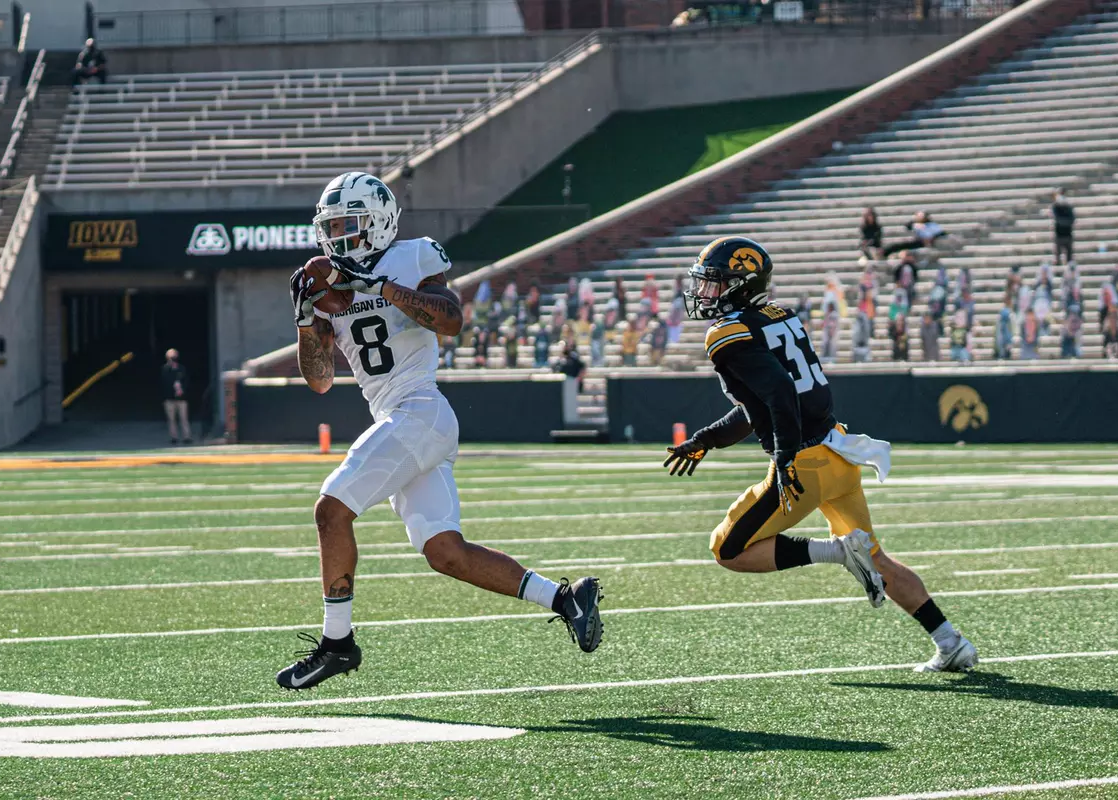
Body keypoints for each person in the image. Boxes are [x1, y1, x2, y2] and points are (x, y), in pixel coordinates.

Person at [282, 172, 603, 690]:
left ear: (379, 223)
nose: (339, 237)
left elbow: (451, 321)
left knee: (330, 509)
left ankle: (337, 644)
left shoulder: (411, 257)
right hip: (396, 418)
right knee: (445, 553)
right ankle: (567, 599)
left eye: (350, 224)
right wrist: (303, 320)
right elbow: (319, 380)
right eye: (332, 226)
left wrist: (380, 286)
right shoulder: (327, 289)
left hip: (419, 409)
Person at [665, 236, 976, 672]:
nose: (705, 292)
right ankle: (950, 641)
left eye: (716, 283)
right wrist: (706, 439)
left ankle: (834, 553)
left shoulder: (726, 333)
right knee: (877, 558)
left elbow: (778, 395)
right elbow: (757, 406)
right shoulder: (779, 317)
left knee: (727, 550)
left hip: (804, 464)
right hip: (837, 455)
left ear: (741, 285)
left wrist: (786, 456)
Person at [161, 349, 192, 444]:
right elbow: (163, 383)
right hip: (169, 398)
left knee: (184, 418)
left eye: (174, 357)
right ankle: (174, 437)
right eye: (171, 358)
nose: (173, 360)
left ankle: (186, 437)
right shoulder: (165, 369)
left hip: (181, 398)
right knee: (171, 419)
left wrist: (182, 389)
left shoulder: (182, 368)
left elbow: (186, 381)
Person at [1051, 188, 1075, 265]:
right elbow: (1057, 219)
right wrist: (1065, 222)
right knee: (1058, 256)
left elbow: (1072, 220)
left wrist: (1063, 221)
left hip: (1068, 235)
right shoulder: (1056, 207)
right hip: (1059, 235)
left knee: (1069, 257)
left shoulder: (1068, 207)